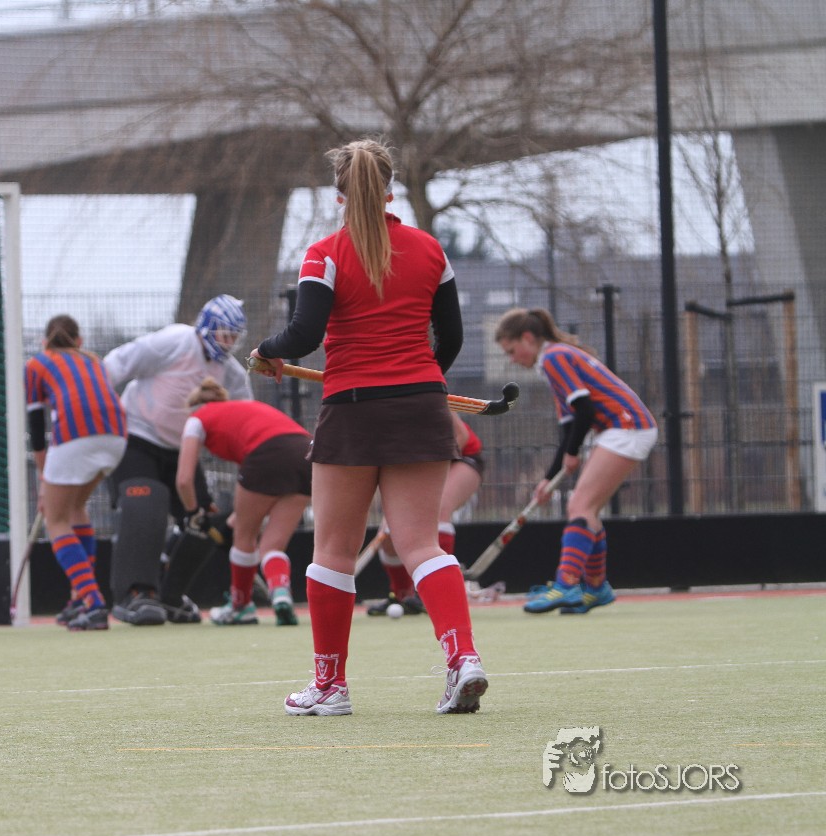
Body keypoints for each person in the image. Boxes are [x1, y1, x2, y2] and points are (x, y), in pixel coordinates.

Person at [250, 138, 487, 716]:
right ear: (389, 190)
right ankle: (463, 659)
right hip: (422, 405)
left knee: (333, 549)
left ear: (339, 195)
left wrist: (266, 350)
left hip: (352, 408)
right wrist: (421, 380)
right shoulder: (430, 250)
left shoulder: (324, 254)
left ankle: (330, 687)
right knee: (421, 543)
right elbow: (451, 338)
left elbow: (304, 335)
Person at [101, 294, 254, 625]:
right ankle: (136, 593)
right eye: (224, 334)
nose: (228, 343)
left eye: (234, 337)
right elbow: (118, 362)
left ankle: (170, 594)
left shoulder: (232, 374)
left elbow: (246, 420)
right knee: (146, 504)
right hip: (136, 438)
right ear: (207, 327)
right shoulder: (175, 341)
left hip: (182, 451)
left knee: (206, 521)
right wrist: (97, 406)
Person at [494, 307, 657, 614]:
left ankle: (566, 585)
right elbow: (570, 427)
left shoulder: (554, 357)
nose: (512, 359)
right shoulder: (554, 359)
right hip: (619, 429)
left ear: (527, 338)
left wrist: (573, 453)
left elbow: (585, 410)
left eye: (511, 351)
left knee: (580, 506)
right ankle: (595, 589)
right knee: (585, 508)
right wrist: (549, 477)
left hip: (626, 427)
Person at [175, 377, 310, 627]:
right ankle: (281, 594)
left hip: (265, 453)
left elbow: (184, 479)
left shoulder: (196, 419)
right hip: (305, 453)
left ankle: (241, 606)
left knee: (244, 537)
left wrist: (193, 512)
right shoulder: (243, 409)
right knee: (272, 546)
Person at [24, 314, 128, 631]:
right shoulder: (93, 360)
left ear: (44, 342)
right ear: (78, 340)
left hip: (76, 436)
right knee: (75, 507)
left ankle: (93, 602)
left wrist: (44, 480)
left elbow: (37, 429)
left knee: (55, 519)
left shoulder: (36, 364)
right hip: (117, 436)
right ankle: (79, 599)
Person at [367, 412, 485, 617]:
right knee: (388, 536)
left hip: (461, 457)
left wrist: (427, 475)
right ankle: (403, 596)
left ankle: (439, 592)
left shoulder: (417, 394)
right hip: (413, 468)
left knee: (439, 509)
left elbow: (461, 435)